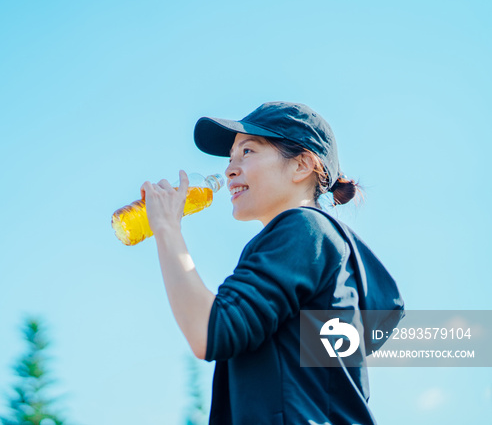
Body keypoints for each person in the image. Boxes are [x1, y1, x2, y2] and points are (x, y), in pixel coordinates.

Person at [141, 102, 404, 425]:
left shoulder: (304, 228)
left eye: (248, 151)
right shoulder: (315, 244)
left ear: (302, 165)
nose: (230, 169)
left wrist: (167, 228)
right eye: (231, 158)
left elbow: (210, 332)